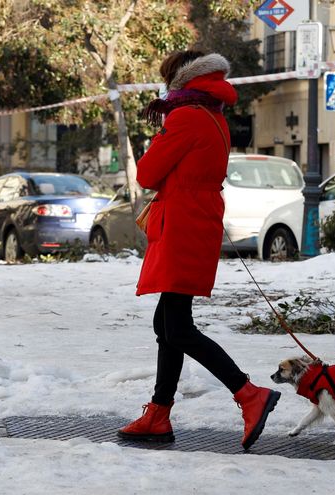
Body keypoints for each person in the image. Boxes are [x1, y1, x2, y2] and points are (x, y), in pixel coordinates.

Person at [117, 51, 281, 451]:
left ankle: (248, 394)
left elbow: (148, 173)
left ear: (178, 81)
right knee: (168, 325)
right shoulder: (213, 116)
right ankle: (158, 413)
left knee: (177, 327)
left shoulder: (187, 117)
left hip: (183, 227)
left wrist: (163, 132)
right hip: (195, 222)